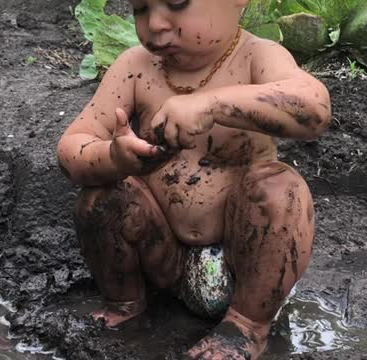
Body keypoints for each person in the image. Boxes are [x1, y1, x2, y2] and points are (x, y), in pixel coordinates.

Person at [56, 0, 331, 358]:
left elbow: (314, 109)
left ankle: (247, 327)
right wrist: (114, 157)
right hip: (162, 257)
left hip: (241, 263)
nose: (155, 23)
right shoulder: (136, 66)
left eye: (176, 4)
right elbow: (72, 146)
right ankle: (124, 304)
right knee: (102, 196)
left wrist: (213, 104)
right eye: (140, 9)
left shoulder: (256, 57)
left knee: (281, 190)